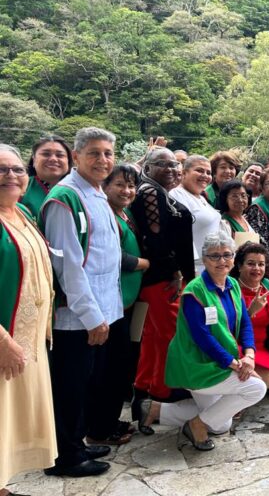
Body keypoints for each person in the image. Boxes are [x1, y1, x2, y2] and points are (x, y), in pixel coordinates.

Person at [40, 128, 123, 477]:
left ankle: (78, 443)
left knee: (87, 383)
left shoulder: (96, 194)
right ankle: (67, 456)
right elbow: (69, 267)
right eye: (94, 153)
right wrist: (92, 317)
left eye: (107, 153)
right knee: (70, 387)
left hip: (103, 308)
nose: (102, 160)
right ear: (76, 157)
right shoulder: (65, 199)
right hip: (75, 317)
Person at [138, 232, 266, 451]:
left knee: (220, 424)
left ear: (234, 259)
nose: (221, 261)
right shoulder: (194, 291)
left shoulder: (233, 284)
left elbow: (245, 322)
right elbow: (202, 337)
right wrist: (235, 364)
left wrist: (250, 355)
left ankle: (157, 410)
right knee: (256, 388)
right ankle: (196, 425)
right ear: (204, 259)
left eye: (227, 255)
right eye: (214, 256)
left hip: (218, 362)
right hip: (197, 364)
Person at [0, 144, 58, 492]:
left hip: (30, 337)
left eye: (16, 169)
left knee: (11, 418)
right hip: (6, 339)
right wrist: (3, 340)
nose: (10, 176)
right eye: (1, 170)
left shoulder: (21, 212)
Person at [129, 148, 195, 412]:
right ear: (147, 166)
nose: (170, 169)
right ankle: (166, 388)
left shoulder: (157, 191)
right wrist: (175, 271)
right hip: (161, 278)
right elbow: (154, 238)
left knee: (155, 336)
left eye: (173, 165)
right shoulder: (150, 191)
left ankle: (148, 387)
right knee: (170, 332)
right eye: (162, 164)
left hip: (162, 276)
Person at [104, 164, 148, 423]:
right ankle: (103, 426)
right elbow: (110, 256)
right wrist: (144, 263)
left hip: (129, 300)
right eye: (120, 184)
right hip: (114, 301)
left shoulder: (125, 213)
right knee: (112, 364)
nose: (127, 190)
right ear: (105, 186)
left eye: (131, 185)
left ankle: (111, 420)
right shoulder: (106, 214)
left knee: (123, 361)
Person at [232, 243, 269, 389]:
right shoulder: (232, 289)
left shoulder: (267, 286)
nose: (257, 268)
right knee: (258, 381)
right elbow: (225, 328)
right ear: (240, 266)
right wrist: (249, 312)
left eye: (261, 264)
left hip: (260, 347)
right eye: (251, 264)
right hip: (237, 345)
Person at [170, 155, 221, 275]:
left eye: (208, 172)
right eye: (199, 170)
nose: (205, 175)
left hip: (212, 266)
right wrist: (188, 271)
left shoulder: (201, 198)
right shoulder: (176, 196)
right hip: (194, 269)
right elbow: (178, 235)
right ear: (184, 173)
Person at [21, 135, 72, 216]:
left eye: (60, 155)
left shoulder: (79, 188)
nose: (53, 159)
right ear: (34, 160)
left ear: (68, 161)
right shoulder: (21, 186)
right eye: (46, 154)